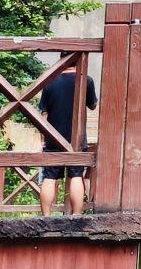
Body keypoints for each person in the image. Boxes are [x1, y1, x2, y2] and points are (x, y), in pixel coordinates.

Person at [38, 57, 97, 215]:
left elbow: (44, 113)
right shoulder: (87, 81)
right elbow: (92, 105)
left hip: (53, 136)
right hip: (76, 139)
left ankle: (46, 217)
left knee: (49, 177)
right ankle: (76, 215)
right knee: (76, 175)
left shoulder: (49, 82)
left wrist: (43, 138)